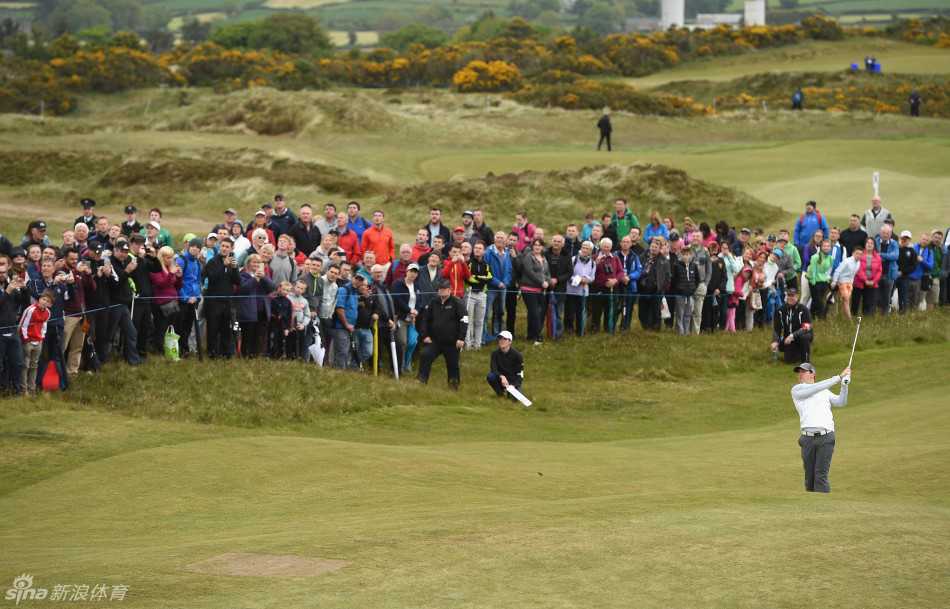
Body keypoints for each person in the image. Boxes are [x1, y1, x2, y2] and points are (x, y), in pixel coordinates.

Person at [790, 362, 850, 493]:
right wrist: (838, 377)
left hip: (826, 437)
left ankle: (824, 505)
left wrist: (844, 385)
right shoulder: (797, 390)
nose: (800, 374)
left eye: (803, 371)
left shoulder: (824, 391)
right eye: (799, 372)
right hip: (807, 439)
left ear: (813, 374)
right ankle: (811, 505)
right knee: (809, 478)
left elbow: (841, 402)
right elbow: (814, 388)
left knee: (821, 476)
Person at [416, 280, 468, 389]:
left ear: (449, 290)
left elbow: (464, 320)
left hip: (452, 342)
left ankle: (453, 385)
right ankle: (421, 380)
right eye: (440, 289)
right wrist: (425, 335)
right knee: (425, 355)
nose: (442, 291)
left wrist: (461, 338)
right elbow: (425, 319)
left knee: (453, 364)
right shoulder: (433, 302)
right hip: (435, 341)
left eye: (445, 289)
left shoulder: (457, 303)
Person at [203, 237, 241, 358]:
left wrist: (234, 269)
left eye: (227, 247)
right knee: (213, 328)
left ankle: (226, 353)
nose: (224, 249)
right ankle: (212, 353)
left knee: (226, 329)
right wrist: (223, 266)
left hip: (227, 301)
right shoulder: (213, 261)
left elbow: (237, 282)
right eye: (222, 246)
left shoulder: (232, 261)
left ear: (231, 249)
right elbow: (211, 278)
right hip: (213, 301)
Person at [236, 254, 275, 358]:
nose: (256, 264)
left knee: (260, 336)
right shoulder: (242, 275)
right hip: (248, 312)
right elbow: (244, 289)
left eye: (258, 262)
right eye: (254, 262)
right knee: (248, 335)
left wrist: (264, 278)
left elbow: (272, 288)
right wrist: (255, 278)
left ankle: (256, 356)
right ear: (248, 263)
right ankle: (245, 356)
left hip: (262, 311)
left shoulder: (263, 275)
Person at [771, 288, 812, 364]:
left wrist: (792, 336)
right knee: (789, 360)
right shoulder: (780, 310)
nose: (790, 298)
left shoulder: (804, 309)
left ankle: (805, 360)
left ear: (797, 296)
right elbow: (777, 329)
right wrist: (775, 341)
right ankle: (796, 355)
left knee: (805, 337)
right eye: (789, 295)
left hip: (801, 336)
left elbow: (806, 327)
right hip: (787, 339)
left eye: (792, 296)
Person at [465, 241, 492, 350]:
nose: (477, 250)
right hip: (470, 294)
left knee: (480, 321)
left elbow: (489, 278)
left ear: (484, 251)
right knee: (469, 320)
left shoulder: (486, 264)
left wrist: (477, 277)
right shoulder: (469, 263)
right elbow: (468, 278)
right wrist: (481, 278)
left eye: (480, 248)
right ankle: (468, 344)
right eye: (475, 248)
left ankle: (477, 344)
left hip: (482, 294)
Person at [486, 330, 524, 398]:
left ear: (510, 342)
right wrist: (502, 376)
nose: (501, 341)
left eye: (504, 339)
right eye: (500, 338)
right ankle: (500, 394)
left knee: (515, 399)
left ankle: (511, 392)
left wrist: (514, 385)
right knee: (491, 376)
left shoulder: (517, 355)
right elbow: (493, 369)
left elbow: (520, 374)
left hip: (513, 380)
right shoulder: (494, 354)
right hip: (500, 379)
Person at [852, 238, 881, 316]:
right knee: (855, 303)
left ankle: (865, 320)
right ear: (865, 244)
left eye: (871, 243)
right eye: (868, 243)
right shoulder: (860, 254)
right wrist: (865, 280)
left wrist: (873, 281)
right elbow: (858, 269)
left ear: (874, 245)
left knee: (868, 304)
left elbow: (879, 271)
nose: (869, 244)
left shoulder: (877, 257)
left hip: (872, 284)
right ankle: (854, 318)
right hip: (859, 282)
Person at [875, 224, 899, 315]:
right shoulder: (875, 241)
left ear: (890, 234)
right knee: (876, 296)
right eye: (884, 233)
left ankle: (884, 316)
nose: (885, 235)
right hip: (876, 274)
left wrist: (881, 255)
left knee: (887, 297)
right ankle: (875, 315)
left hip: (889, 274)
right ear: (880, 233)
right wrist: (887, 257)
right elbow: (873, 255)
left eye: (888, 233)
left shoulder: (894, 243)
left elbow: (895, 256)